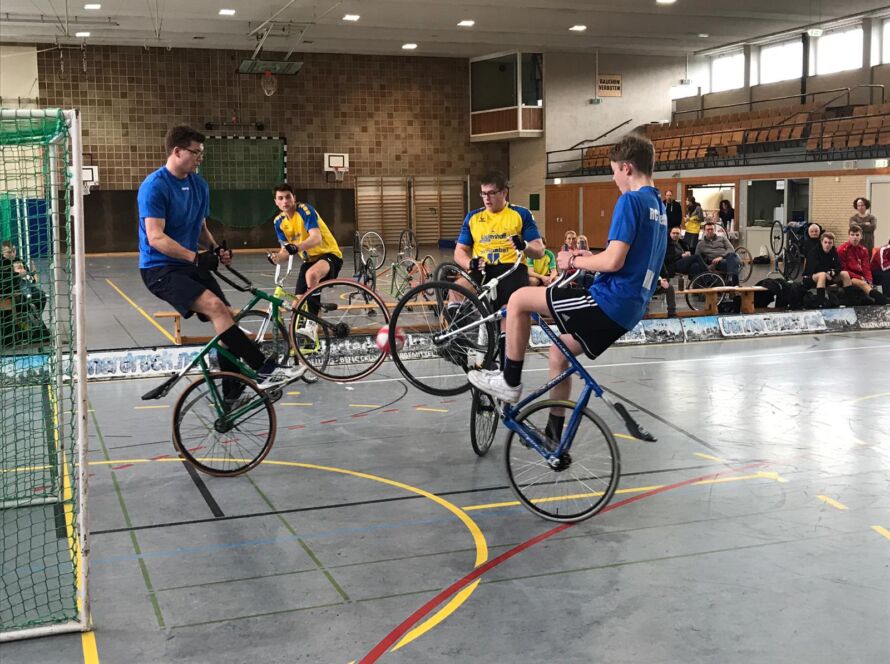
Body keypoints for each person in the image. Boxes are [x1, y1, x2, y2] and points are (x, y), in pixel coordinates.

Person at [467, 131, 667, 441]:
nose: (614, 179)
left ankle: (509, 381)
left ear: (626, 168)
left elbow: (614, 261)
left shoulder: (630, 200)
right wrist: (590, 258)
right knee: (559, 353)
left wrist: (573, 260)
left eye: (614, 171)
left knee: (518, 299)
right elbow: (631, 258)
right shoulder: (659, 206)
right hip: (631, 308)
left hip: (609, 301)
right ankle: (553, 436)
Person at [138, 125, 298, 399]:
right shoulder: (154, 187)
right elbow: (156, 237)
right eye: (196, 152)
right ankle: (263, 369)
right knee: (215, 307)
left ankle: (231, 394)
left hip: (190, 264)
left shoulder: (199, 185)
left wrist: (214, 249)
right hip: (159, 268)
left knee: (226, 316)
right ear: (177, 151)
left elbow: (199, 227)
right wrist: (195, 256)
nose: (200, 158)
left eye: (202, 153)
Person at [453, 170, 545, 363]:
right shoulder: (473, 217)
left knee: (507, 311)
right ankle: (456, 345)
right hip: (483, 269)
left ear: (504, 192)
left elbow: (539, 251)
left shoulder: (520, 214)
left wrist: (524, 245)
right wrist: (469, 263)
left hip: (512, 269)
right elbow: (459, 252)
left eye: (491, 193)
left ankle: (505, 363)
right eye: (483, 193)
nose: (486, 198)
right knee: (456, 290)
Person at [269, 183, 343, 342]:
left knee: (312, 274)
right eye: (280, 198)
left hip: (330, 255)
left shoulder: (304, 210)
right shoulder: (278, 222)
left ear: (294, 198)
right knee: (297, 306)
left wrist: (297, 247)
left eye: (288, 197)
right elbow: (285, 251)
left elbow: (316, 238)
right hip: (309, 260)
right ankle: (305, 344)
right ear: (276, 202)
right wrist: (277, 257)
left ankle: (313, 324)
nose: (285, 201)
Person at [837, 224, 887, 305]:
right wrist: (860, 278)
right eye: (852, 235)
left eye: (857, 235)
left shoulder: (864, 250)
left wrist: (869, 280)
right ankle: (882, 299)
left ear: (861, 237)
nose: (855, 237)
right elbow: (843, 269)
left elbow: (866, 268)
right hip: (846, 277)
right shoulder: (841, 250)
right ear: (849, 236)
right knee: (861, 283)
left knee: (869, 281)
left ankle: (876, 298)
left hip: (861, 277)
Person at [802, 232, 850, 307]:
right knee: (822, 275)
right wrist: (826, 271)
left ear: (833, 244)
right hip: (811, 277)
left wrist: (833, 272)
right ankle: (820, 303)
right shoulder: (813, 252)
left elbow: (839, 266)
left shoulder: (834, 251)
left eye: (830, 243)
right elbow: (815, 268)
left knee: (845, 274)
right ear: (821, 242)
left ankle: (849, 300)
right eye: (825, 242)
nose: (827, 245)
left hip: (829, 276)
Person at [696, 221, 741, 285]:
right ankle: (734, 283)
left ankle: (731, 278)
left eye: (712, 229)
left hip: (726, 258)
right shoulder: (701, 244)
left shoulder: (722, 239)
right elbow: (697, 257)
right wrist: (706, 266)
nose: (710, 231)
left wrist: (721, 257)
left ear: (715, 230)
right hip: (715, 263)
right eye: (708, 229)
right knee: (734, 261)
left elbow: (731, 249)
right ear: (704, 231)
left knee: (732, 255)